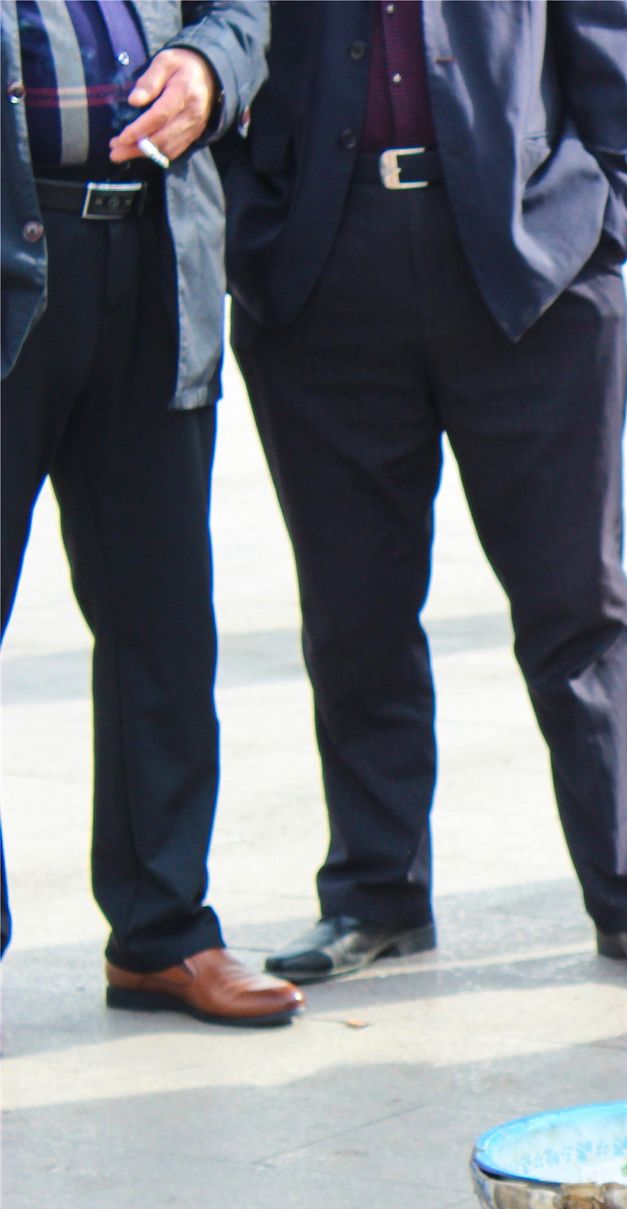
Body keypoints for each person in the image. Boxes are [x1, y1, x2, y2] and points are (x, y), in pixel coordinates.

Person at [222, 0, 627, 986]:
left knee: (577, 602)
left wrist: (601, 216)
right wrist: (255, 229)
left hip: (528, 274)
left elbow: (602, 54)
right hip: (323, 273)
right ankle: (376, 894)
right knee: (354, 607)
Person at [2, 0, 298, 1026]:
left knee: (162, 623)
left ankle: (162, 931)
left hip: (152, 258)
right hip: (11, 253)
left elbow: (239, 11)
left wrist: (208, 68)